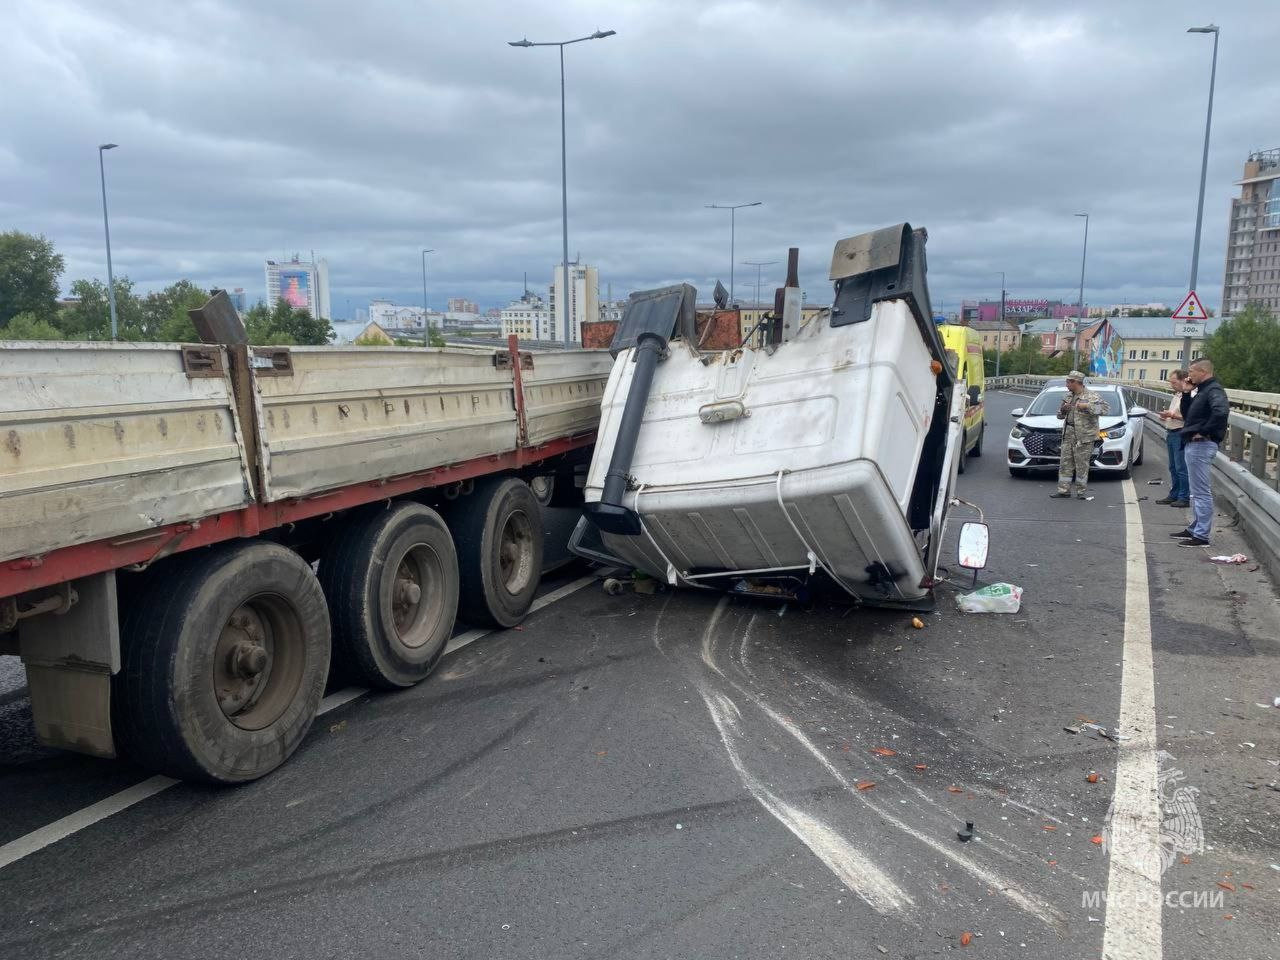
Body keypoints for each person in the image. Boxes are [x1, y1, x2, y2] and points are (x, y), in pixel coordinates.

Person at [1172, 358, 1230, 546]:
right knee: (1195, 492)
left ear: (1203, 371)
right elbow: (1188, 416)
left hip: (1201, 444)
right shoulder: (1202, 391)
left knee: (1201, 492)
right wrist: (1187, 394)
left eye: (1192, 371)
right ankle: (1194, 528)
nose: (1189, 375)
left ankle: (1201, 535)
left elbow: (1221, 412)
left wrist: (1203, 432)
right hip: (1194, 445)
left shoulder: (1213, 390)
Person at [1051, 370, 1104, 500]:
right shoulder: (1068, 396)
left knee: (1081, 465)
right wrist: (1063, 410)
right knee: (1065, 463)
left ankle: (1081, 492)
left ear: (1076, 382)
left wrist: (1086, 406)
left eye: (1068, 382)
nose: (1066, 384)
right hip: (1068, 433)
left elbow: (1104, 409)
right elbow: (1059, 415)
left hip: (1084, 436)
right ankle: (1064, 490)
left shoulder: (1092, 396)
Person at [1156, 370, 1192, 507]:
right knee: (1173, 467)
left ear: (1183, 380)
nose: (1172, 385)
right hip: (1171, 432)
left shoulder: (1190, 396)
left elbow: (1190, 417)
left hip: (1181, 433)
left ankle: (1184, 497)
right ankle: (1174, 494)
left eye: (1174, 382)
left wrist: (1171, 415)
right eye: (1170, 382)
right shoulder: (1177, 395)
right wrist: (1166, 416)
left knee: (1181, 467)